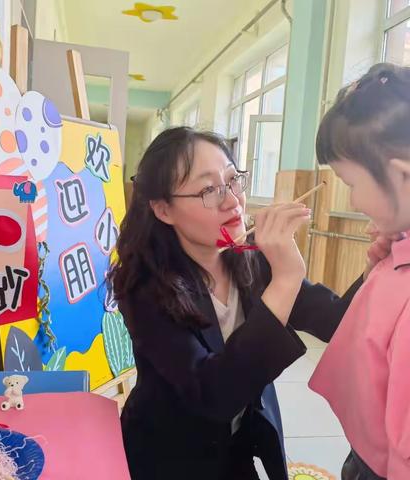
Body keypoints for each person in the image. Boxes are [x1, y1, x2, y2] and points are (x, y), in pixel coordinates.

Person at [109, 126, 377, 480]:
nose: (232, 200)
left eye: (234, 180)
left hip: (241, 444)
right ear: (164, 210)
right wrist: (285, 280)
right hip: (168, 454)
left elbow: (337, 319)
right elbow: (214, 394)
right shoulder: (143, 285)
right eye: (208, 189)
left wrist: (374, 267)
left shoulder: (251, 260)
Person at [309, 63, 410, 480]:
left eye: (350, 183)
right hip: (367, 450)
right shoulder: (395, 247)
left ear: (402, 174)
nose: (351, 202)